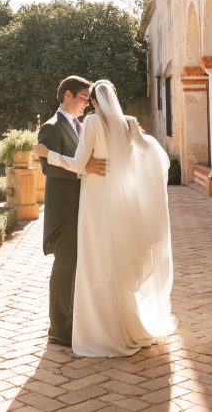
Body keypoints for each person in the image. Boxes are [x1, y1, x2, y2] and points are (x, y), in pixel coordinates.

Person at [34, 79, 177, 357]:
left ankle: (98, 327)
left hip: (95, 203)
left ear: (98, 102)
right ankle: (105, 325)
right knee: (113, 263)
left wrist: (48, 154)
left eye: (90, 99)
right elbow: (149, 152)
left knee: (96, 263)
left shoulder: (92, 124)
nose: (87, 103)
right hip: (113, 204)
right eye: (83, 98)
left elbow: (77, 164)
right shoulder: (129, 124)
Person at [38, 75, 107, 347]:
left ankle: (73, 318)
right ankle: (58, 328)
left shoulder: (81, 126)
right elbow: (48, 167)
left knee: (78, 265)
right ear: (67, 95)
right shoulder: (51, 127)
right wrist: (83, 170)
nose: (86, 105)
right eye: (82, 98)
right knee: (65, 266)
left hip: (84, 208)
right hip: (65, 210)